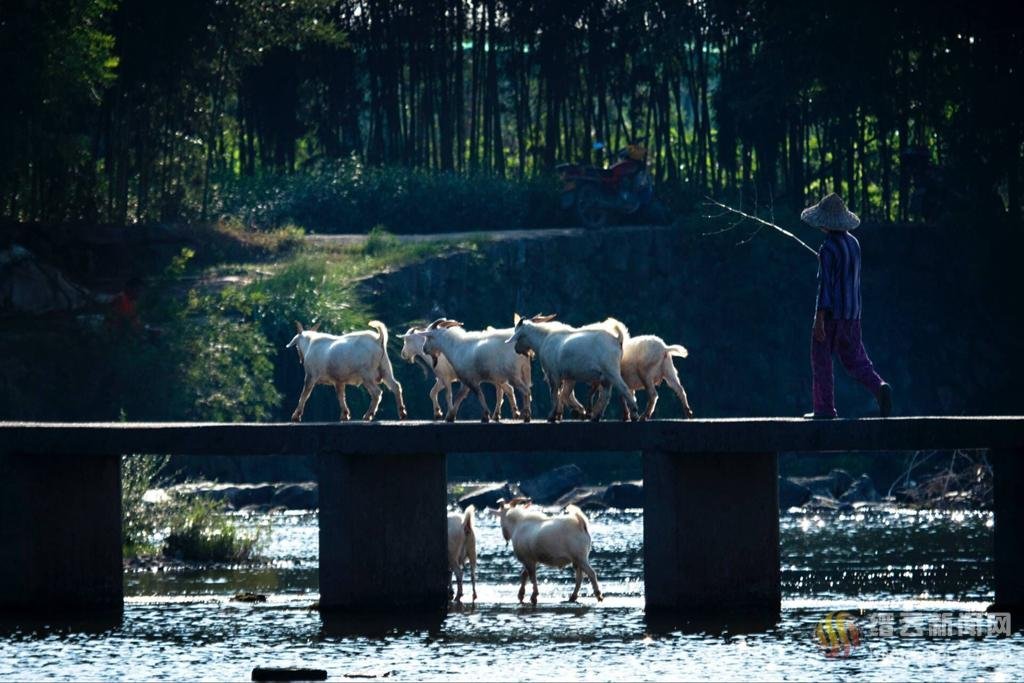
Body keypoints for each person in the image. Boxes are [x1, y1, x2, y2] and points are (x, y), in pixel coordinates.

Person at [801, 193, 892, 419]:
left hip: (831, 315)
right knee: (856, 359)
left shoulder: (828, 249)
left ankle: (824, 409)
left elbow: (825, 286)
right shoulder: (854, 244)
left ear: (824, 223)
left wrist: (818, 319)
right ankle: (878, 386)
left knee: (821, 358)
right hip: (853, 316)